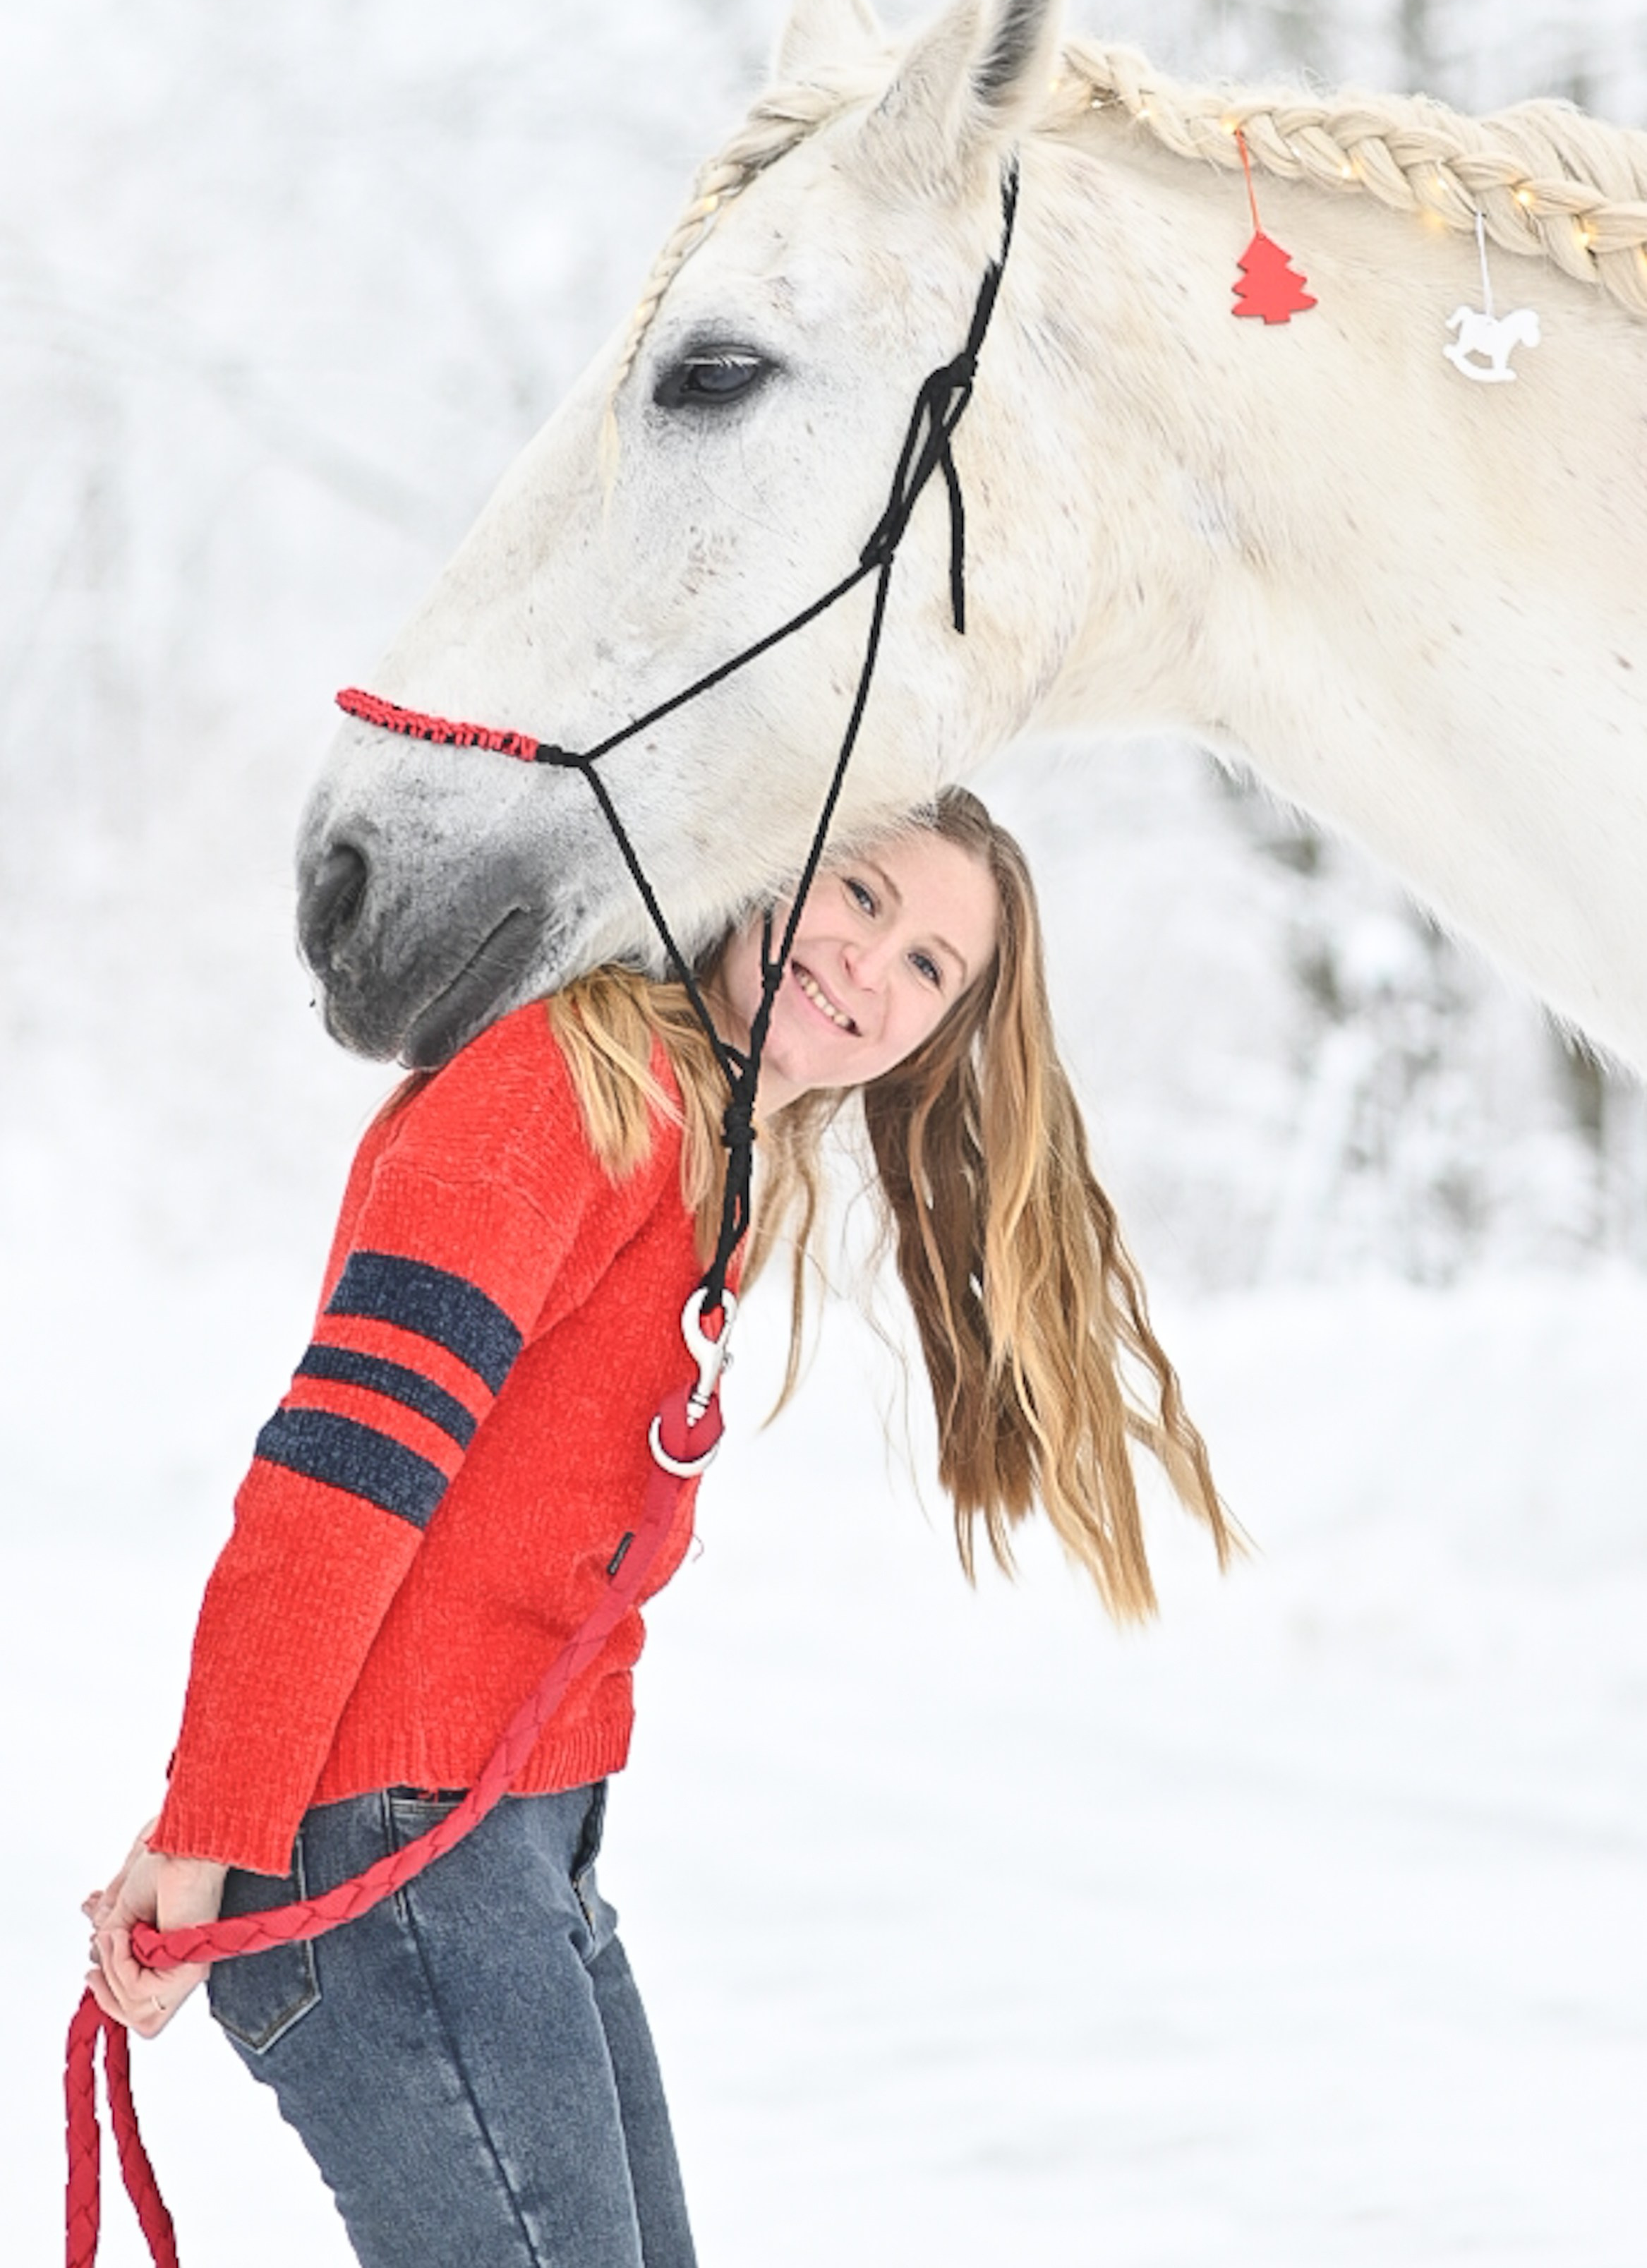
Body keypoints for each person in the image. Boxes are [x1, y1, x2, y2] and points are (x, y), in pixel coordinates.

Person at [83, 787, 1232, 2268]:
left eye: (933, 966)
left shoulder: (705, 1142)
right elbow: (341, 1474)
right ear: (773, 851)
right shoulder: (560, 1087)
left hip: (507, 1842)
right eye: (865, 895)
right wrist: (212, 1820)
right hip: (394, 1857)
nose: (873, 968)